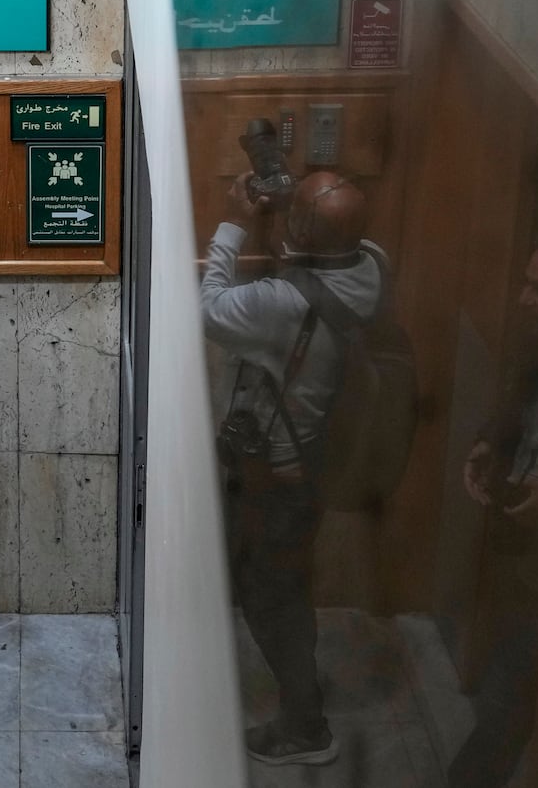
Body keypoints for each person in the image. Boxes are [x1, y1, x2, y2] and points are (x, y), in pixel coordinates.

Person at [200, 170, 388, 766]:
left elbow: (211, 310)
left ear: (303, 231)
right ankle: (296, 696)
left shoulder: (283, 303)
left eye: (296, 214)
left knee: (271, 599)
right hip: (311, 463)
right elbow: (328, 240)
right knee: (285, 589)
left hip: (270, 481)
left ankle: (306, 728)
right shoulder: (372, 266)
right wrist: (295, 218)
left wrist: (234, 223)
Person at [450, 241, 538, 788]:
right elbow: (516, 409)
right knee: (504, 690)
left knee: (508, 698)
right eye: (525, 283)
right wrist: (488, 444)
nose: (523, 299)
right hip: (517, 536)